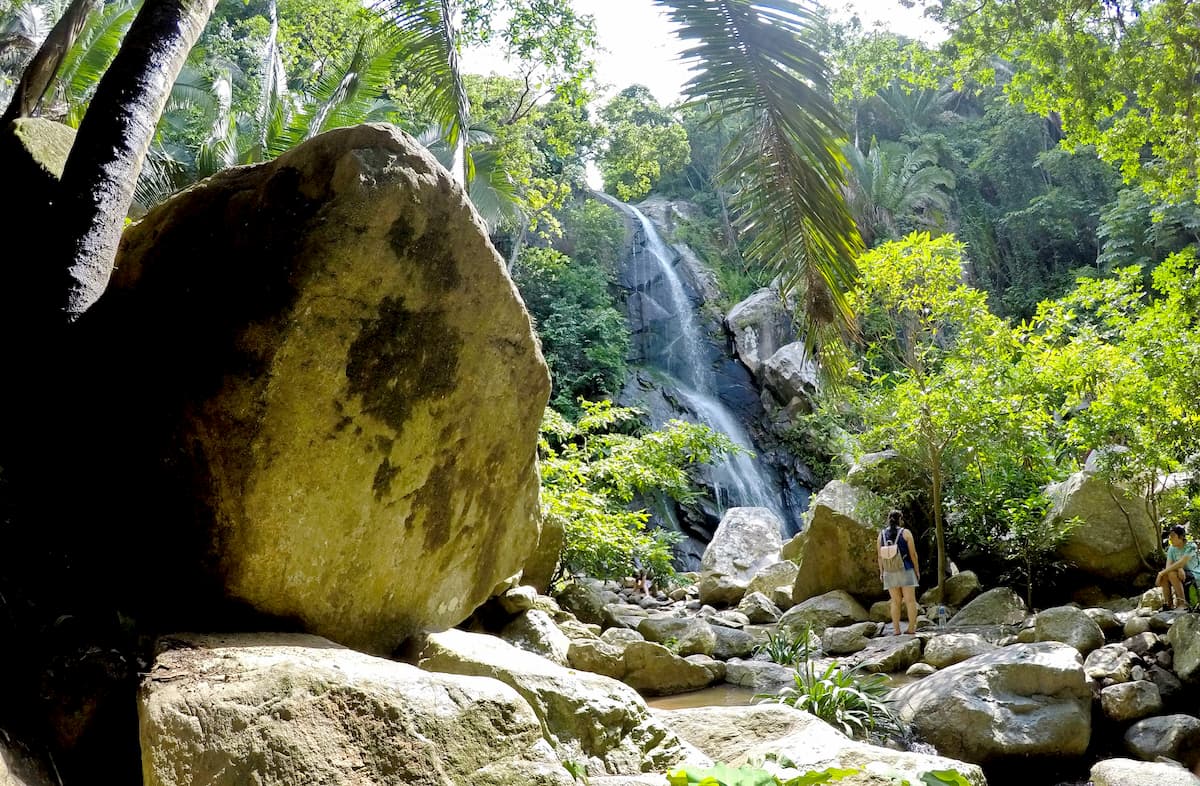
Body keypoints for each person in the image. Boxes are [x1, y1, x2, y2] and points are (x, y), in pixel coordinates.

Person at [878, 509, 920, 635]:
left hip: (889, 572)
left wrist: (881, 572)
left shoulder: (881, 535)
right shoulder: (906, 533)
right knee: (910, 601)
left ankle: (896, 630)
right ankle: (911, 628)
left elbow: (880, 556)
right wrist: (917, 570)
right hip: (905, 569)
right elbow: (913, 554)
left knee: (895, 601)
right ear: (900, 520)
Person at [1157, 525, 1200, 610]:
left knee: (1170, 574)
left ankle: (1183, 604)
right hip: (1180, 573)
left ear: (1181, 537)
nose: (1170, 539)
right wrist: (1179, 568)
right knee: (1165, 575)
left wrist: (1160, 573)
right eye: (1170, 536)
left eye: (1173, 536)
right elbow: (1168, 566)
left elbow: (1182, 562)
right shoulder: (1172, 548)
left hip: (1194, 573)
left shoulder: (1191, 546)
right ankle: (1168, 604)